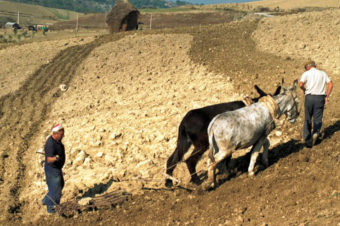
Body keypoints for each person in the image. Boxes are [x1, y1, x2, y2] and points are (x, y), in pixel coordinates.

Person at [299, 60, 333, 148]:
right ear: (315, 65)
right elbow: (330, 84)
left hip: (309, 97)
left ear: (307, 67)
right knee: (318, 118)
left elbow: (300, 84)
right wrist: (326, 96)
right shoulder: (323, 73)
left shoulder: (306, 74)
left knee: (308, 117)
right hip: (320, 98)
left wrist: (304, 90)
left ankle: (307, 138)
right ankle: (315, 133)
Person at [42, 124, 66, 213]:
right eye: (61, 134)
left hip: (56, 168)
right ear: (55, 134)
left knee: (60, 185)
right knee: (56, 189)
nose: (63, 136)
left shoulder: (56, 140)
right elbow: (49, 160)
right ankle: (51, 209)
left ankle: (46, 200)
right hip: (52, 169)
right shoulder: (50, 144)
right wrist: (56, 158)